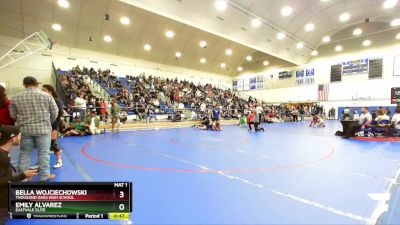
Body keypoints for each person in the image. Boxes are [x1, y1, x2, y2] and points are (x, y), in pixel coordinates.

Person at [9, 76, 58, 182]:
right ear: (36, 84)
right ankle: (44, 176)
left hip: (25, 130)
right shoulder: (47, 96)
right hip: (43, 129)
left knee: (25, 153)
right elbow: (55, 112)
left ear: (24, 84)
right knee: (44, 153)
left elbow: (13, 116)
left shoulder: (15, 97)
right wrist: (49, 122)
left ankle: (23, 178)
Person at [0, 125, 38, 224]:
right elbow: (2, 181)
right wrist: (23, 175)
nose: (21, 137)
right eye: (19, 135)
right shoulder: (2, 158)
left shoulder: (3, 152)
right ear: (13, 139)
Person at [30, 85, 64, 170]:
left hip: (53, 126)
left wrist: (54, 125)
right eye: (42, 90)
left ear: (50, 91)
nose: (42, 91)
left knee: (53, 144)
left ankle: (59, 161)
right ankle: (39, 163)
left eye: (44, 90)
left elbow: (60, 113)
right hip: (43, 125)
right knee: (42, 145)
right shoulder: (43, 100)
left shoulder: (56, 100)